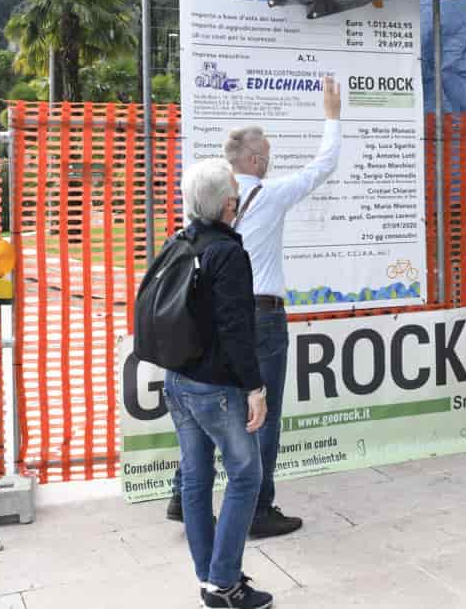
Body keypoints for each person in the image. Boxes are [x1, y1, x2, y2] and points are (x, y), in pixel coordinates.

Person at [170, 75, 343, 539]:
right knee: (261, 413)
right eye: (266, 154)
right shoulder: (271, 193)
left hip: (209, 315)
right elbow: (323, 165)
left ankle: (181, 492)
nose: (270, 161)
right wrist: (331, 115)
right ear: (256, 160)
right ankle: (259, 509)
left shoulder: (202, 197)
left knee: (207, 401)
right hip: (260, 316)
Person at [164, 158, 273, 609]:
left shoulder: (181, 241)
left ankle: (210, 577)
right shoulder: (227, 252)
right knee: (247, 475)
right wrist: (256, 389)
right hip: (214, 387)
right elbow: (236, 328)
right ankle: (224, 583)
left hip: (178, 380)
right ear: (230, 202)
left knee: (195, 478)